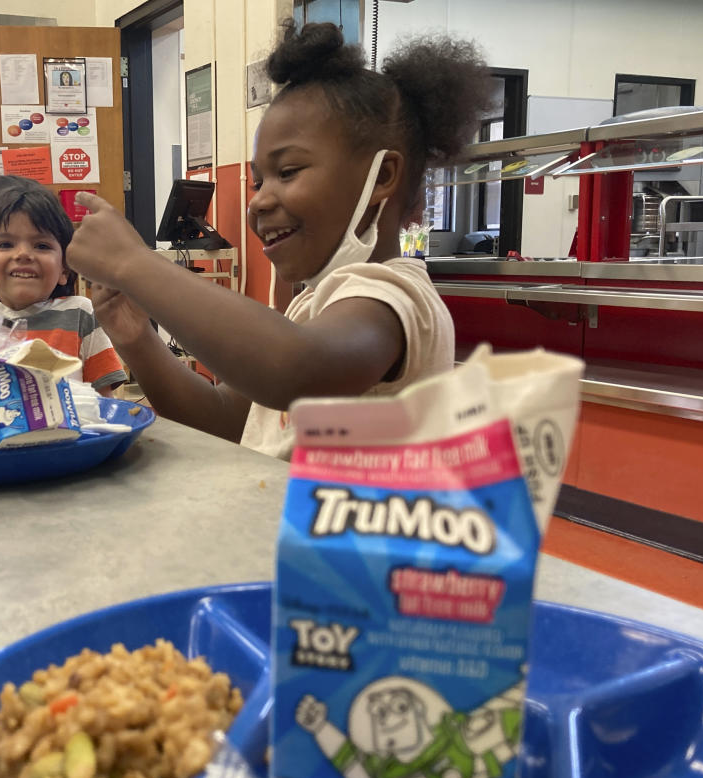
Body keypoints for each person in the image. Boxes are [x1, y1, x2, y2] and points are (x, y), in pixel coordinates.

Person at [66, 21, 493, 458]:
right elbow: (223, 418)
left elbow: (299, 369)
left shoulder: (394, 297)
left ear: (381, 177)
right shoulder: (316, 304)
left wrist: (133, 263)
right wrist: (137, 338)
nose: (259, 202)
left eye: (287, 172)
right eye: (257, 181)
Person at [0, 175, 126, 395]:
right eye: (5, 244)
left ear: (64, 270)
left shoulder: (81, 314)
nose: (23, 254)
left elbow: (105, 401)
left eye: (41, 245)